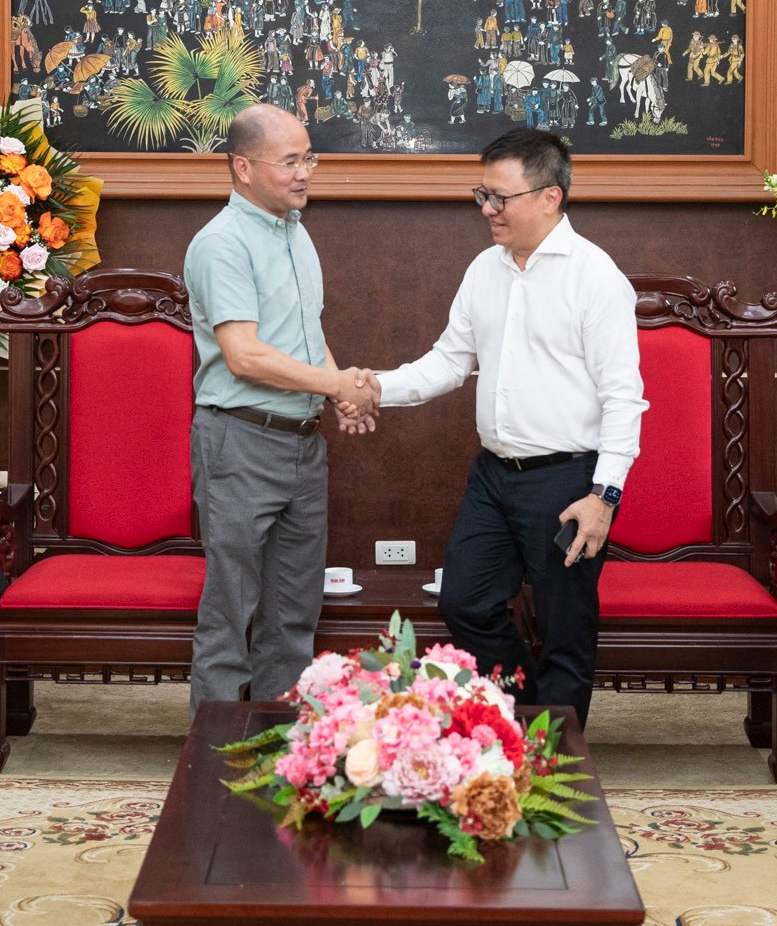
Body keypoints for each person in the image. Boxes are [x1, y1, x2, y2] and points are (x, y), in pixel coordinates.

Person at [360, 130, 646, 726]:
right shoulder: (483, 271)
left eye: (499, 198)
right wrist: (372, 387)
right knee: (466, 603)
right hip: (493, 476)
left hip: (568, 481)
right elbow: (447, 362)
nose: (486, 210)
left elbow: (624, 399)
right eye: (480, 195)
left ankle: (555, 765)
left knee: (566, 629)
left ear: (550, 197)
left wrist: (604, 497)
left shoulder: (595, 277)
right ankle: (519, 723)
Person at [183, 104, 377, 710]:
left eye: (309, 158)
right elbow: (244, 355)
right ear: (242, 167)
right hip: (239, 443)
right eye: (290, 161)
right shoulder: (221, 243)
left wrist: (334, 390)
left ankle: (279, 754)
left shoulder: (296, 232)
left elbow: (304, 334)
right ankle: (212, 765)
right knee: (229, 616)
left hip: (301, 446)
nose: (305, 173)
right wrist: (339, 384)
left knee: (294, 615)